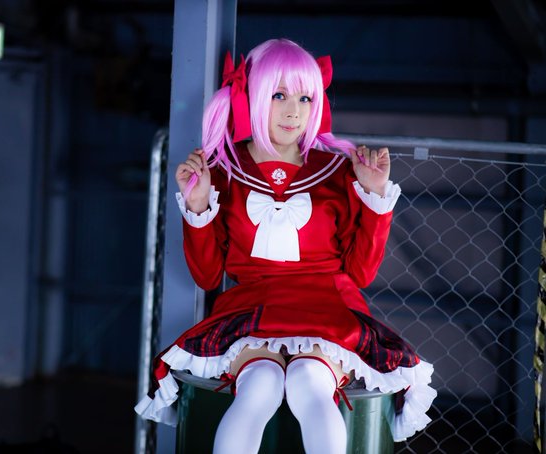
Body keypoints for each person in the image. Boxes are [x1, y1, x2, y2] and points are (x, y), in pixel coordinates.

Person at [135, 38, 436, 454]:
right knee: (259, 384)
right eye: (279, 96)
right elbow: (207, 276)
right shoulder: (223, 171)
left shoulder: (338, 170)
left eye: (305, 98)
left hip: (328, 308)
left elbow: (362, 273)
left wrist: (374, 198)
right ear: (252, 96)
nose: (293, 111)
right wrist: (198, 204)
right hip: (252, 307)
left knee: (310, 381)